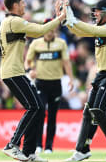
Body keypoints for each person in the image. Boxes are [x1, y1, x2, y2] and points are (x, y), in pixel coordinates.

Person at [0, 0, 66, 162]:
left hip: (15, 72)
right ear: (14, 6)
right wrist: (59, 18)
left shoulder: (10, 22)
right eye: (22, 3)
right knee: (34, 107)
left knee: (38, 108)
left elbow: (38, 30)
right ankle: (12, 145)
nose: (25, 5)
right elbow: (40, 31)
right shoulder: (14, 21)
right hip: (12, 72)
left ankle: (28, 153)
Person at [59, 0, 106, 161]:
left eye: (98, 11)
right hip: (102, 75)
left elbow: (86, 28)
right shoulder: (99, 28)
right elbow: (80, 31)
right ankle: (82, 150)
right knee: (88, 111)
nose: (95, 13)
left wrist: (72, 18)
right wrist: (65, 19)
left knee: (99, 110)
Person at [25, 18, 74, 154]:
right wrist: (30, 70)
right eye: (48, 29)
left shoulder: (61, 43)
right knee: (40, 113)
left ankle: (49, 147)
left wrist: (70, 79)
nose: (50, 32)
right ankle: (38, 144)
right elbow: (27, 61)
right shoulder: (36, 44)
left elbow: (66, 62)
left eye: (53, 29)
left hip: (55, 83)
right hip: (40, 83)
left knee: (52, 116)